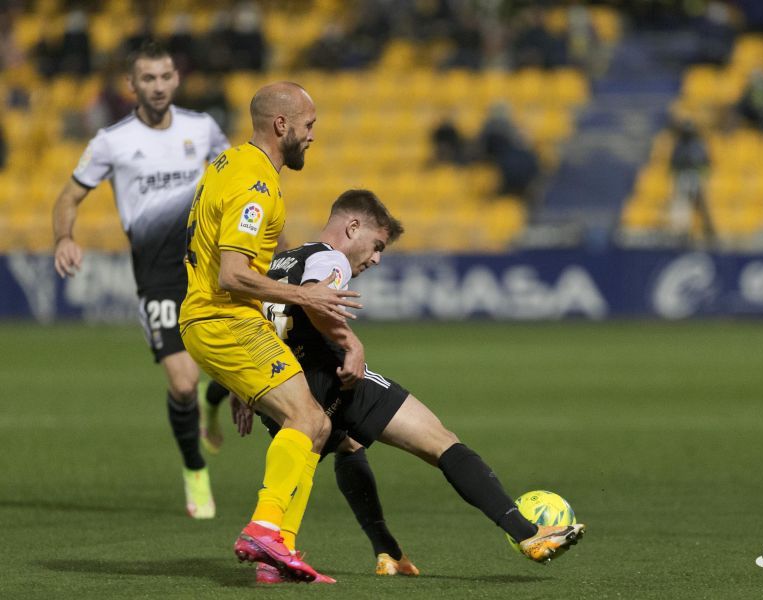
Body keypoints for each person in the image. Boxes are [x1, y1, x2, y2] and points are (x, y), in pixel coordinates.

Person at [238, 189, 585, 584]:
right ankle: (529, 533)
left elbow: (250, 320)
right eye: (377, 245)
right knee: (441, 441)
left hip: (282, 386)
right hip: (330, 376)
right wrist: (349, 342)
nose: (376, 258)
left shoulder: (280, 262)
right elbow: (319, 300)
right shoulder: (329, 257)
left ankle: (355, 552)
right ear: (352, 227)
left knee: (344, 447)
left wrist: (242, 387)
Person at [178, 81, 362, 584]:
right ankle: (263, 530)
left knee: (317, 427)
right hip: (221, 317)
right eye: (308, 126)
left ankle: (276, 554)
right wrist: (308, 296)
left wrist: (248, 380)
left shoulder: (230, 163)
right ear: (281, 125)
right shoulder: (255, 185)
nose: (312, 136)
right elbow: (232, 274)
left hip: (229, 321)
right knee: (305, 416)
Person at [52, 41, 232, 520]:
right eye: (147, 79)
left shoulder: (203, 129)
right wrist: (64, 238)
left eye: (165, 76)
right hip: (157, 273)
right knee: (180, 382)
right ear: (131, 85)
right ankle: (195, 470)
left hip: (212, 264)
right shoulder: (112, 141)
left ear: (177, 79)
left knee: (242, 368)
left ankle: (214, 403)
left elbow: (237, 179)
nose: (157, 86)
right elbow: (68, 197)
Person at [668, 118, 716, 247]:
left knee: (700, 203)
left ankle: (709, 232)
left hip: (695, 176)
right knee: (682, 205)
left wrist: (703, 175)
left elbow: (706, 162)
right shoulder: (679, 144)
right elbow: (673, 163)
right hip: (683, 177)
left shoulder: (698, 144)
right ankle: (683, 234)